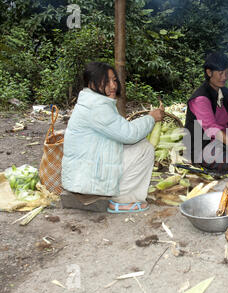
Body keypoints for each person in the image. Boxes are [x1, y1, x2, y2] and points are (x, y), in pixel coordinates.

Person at [61, 61, 164, 213]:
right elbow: (130, 134)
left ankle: (120, 194)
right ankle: (122, 200)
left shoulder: (92, 101)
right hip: (85, 179)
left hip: (83, 173)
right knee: (144, 149)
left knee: (140, 144)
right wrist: (151, 118)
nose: (113, 86)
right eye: (106, 81)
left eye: (114, 80)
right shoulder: (96, 107)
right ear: (91, 83)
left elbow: (121, 130)